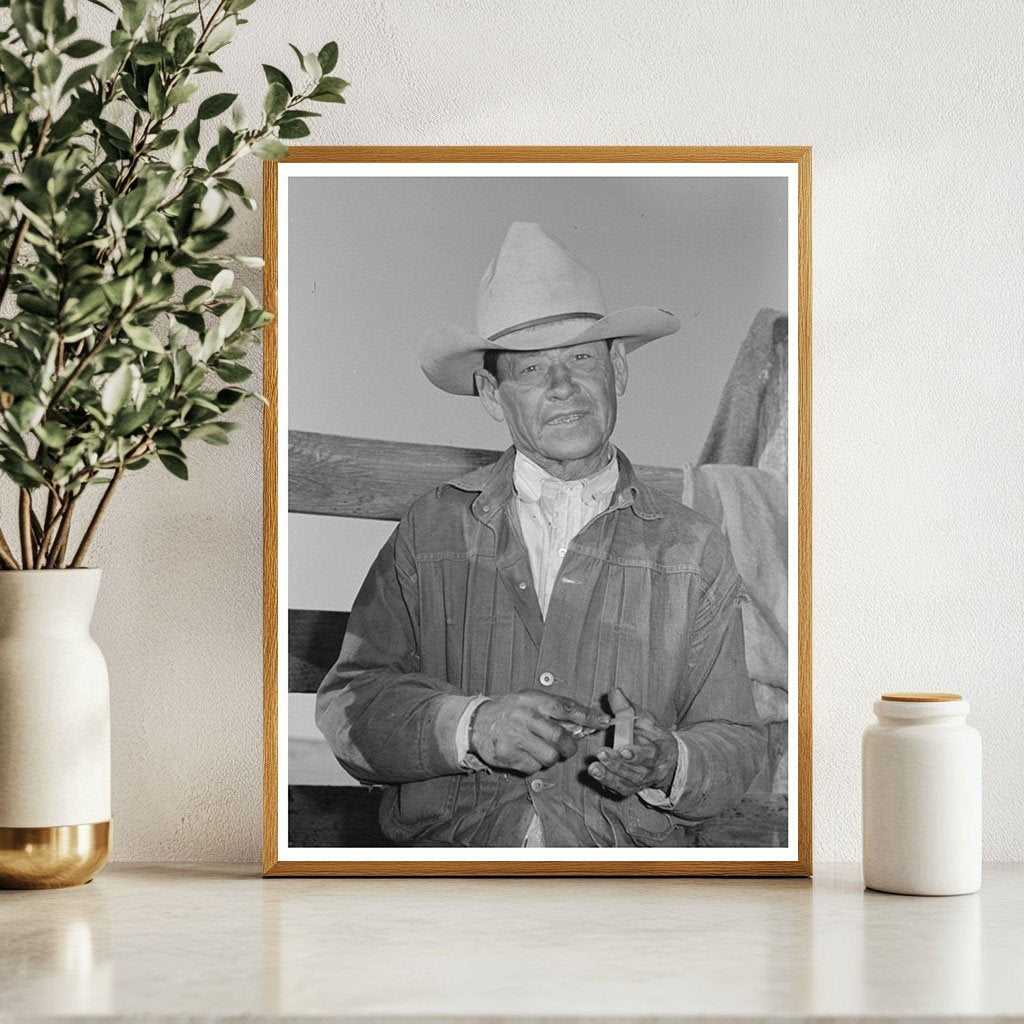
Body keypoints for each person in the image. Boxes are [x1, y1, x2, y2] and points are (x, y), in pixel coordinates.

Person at [316, 222, 766, 847]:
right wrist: (472, 727)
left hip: (621, 892)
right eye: (530, 370)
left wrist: (669, 764)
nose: (562, 388)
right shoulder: (431, 528)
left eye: (581, 358)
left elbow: (738, 742)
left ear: (617, 370)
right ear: (492, 395)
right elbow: (351, 702)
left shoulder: (693, 547)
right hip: (456, 881)